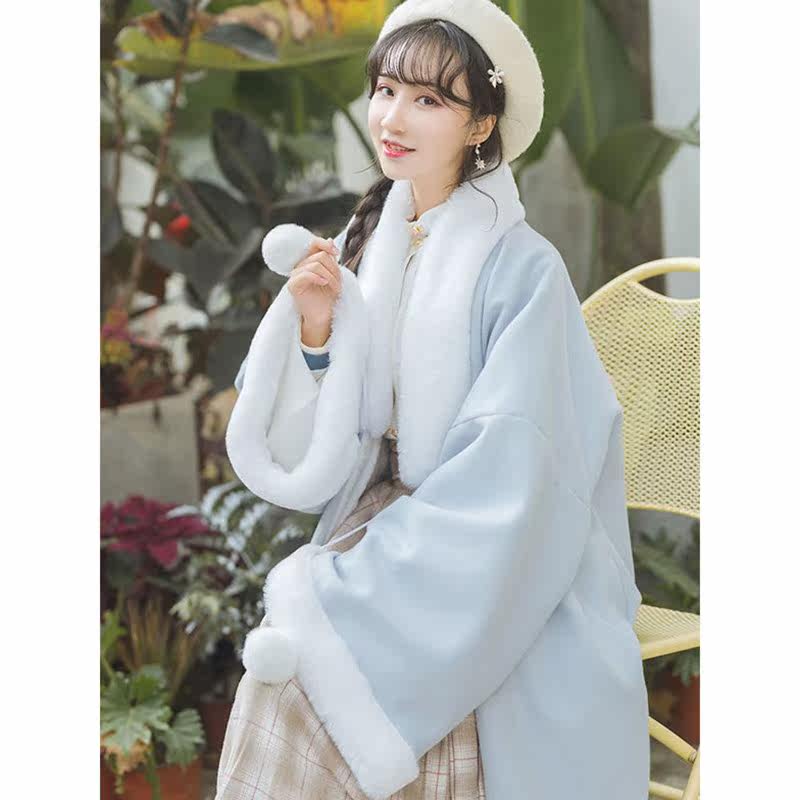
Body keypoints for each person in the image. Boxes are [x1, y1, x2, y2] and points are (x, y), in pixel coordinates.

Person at [218, 2, 650, 799]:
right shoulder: (370, 244)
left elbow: (520, 467)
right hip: (390, 525)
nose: (393, 118)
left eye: (428, 100)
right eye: (385, 90)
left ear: (481, 124)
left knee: (322, 687)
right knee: (281, 682)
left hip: (493, 551)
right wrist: (316, 331)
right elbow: (332, 437)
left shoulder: (526, 270)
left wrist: (393, 558)